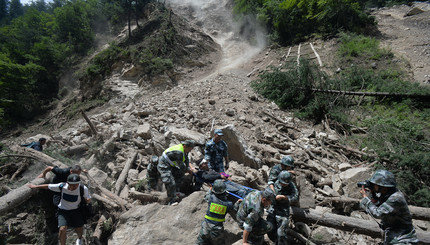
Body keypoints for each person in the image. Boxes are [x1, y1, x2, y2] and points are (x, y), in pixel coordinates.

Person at [28, 174, 91, 245]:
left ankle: (79, 239)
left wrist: (88, 200)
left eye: (76, 185)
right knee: (62, 229)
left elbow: (88, 199)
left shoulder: (82, 188)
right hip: (63, 211)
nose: (74, 187)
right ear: (67, 183)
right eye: (72, 185)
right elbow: (48, 186)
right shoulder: (62, 186)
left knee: (79, 227)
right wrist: (35, 186)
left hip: (76, 210)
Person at [359, 170, 419, 245]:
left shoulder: (395, 198)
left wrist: (365, 198)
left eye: (375, 184)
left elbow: (377, 213)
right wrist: (372, 193)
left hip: (403, 240)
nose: (373, 185)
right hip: (393, 239)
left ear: (383, 187)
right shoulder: (387, 194)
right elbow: (376, 203)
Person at [196, 180, 236, 245]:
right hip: (217, 230)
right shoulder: (228, 204)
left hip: (206, 226)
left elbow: (208, 195)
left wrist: (210, 189)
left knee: (200, 241)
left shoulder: (211, 197)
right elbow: (233, 210)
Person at [157, 140, 196, 204]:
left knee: (180, 175)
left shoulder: (185, 149)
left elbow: (186, 159)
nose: (190, 150)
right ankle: (171, 201)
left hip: (172, 164)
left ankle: (176, 192)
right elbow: (181, 166)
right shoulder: (179, 152)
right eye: (189, 149)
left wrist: (189, 168)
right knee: (170, 181)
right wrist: (188, 170)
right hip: (164, 164)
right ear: (185, 146)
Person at [267, 171, 299, 245]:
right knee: (269, 228)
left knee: (281, 233)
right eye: (282, 183)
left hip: (283, 212)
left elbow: (295, 197)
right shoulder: (275, 183)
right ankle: (275, 241)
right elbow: (267, 190)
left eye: (285, 184)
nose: (283, 184)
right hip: (272, 209)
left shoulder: (292, 186)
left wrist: (284, 197)